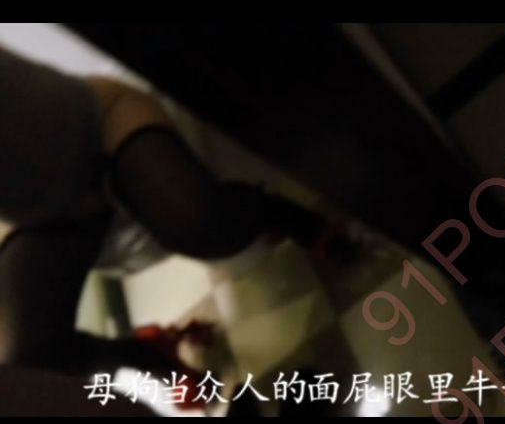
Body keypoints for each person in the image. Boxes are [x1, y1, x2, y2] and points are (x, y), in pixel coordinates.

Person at [0, 46, 330, 382]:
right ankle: (152, 358)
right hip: (42, 212)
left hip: (96, 124)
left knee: (199, 226)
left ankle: (282, 213)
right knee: (31, 364)